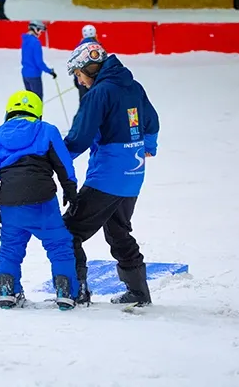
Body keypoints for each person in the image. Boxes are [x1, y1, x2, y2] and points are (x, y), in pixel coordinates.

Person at [62, 41, 160, 306]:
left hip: (107, 177)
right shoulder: (133, 86)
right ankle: (139, 293)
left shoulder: (100, 93)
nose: (79, 81)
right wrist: (149, 145)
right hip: (134, 175)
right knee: (118, 232)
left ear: (89, 68)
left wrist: (55, 159)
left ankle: (75, 292)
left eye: (79, 74)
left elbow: (80, 137)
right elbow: (151, 121)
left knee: (68, 231)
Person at [0, 90, 79, 310]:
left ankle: (6, 290)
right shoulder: (47, 131)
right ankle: (66, 292)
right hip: (42, 202)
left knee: (10, 249)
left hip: (10, 205)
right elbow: (63, 163)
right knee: (59, 245)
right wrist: (70, 189)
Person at [20, 20, 56, 101]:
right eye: (40, 30)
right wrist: (50, 71)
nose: (40, 33)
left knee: (30, 101)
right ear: (35, 29)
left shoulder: (25, 40)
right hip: (34, 76)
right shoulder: (35, 42)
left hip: (25, 74)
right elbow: (39, 63)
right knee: (37, 101)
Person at [73, 24, 99, 103]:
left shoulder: (78, 48)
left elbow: (75, 64)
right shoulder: (98, 48)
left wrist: (76, 79)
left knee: (84, 105)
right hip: (95, 83)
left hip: (82, 82)